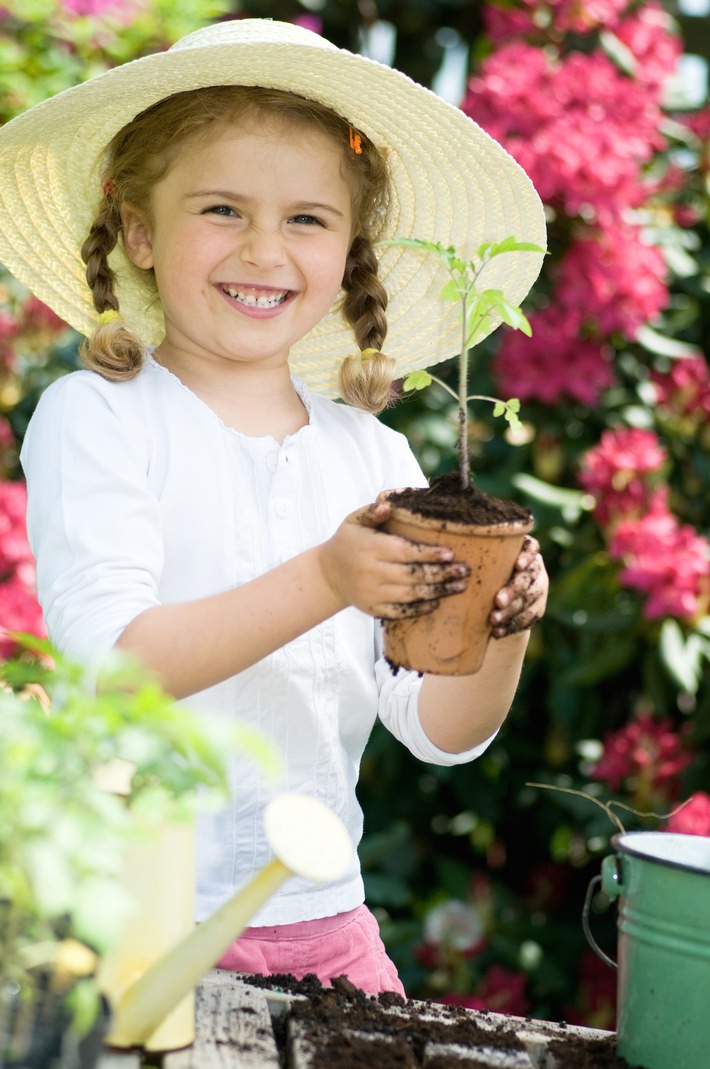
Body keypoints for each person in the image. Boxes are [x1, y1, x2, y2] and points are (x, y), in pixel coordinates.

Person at [0, 19, 548, 995]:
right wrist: (325, 576)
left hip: (325, 921)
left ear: (350, 248)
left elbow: (435, 727)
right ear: (136, 227)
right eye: (220, 208)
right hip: (130, 920)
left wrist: (497, 629)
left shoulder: (371, 456)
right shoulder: (100, 417)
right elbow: (117, 662)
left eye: (306, 218)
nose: (264, 248)